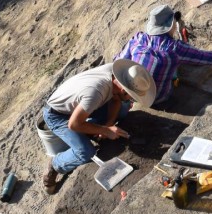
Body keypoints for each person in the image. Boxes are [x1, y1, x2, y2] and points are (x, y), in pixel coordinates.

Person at [42, 60, 156, 194]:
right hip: (58, 115)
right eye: (131, 96)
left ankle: (88, 130)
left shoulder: (117, 77)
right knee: (86, 152)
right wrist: (104, 130)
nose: (132, 100)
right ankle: (56, 164)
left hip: (79, 106)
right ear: (123, 89)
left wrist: (109, 124)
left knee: (123, 108)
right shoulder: (96, 92)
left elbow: (116, 100)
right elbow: (74, 124)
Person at [116, 5, 212, 107]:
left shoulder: (138, 39)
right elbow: (206, 58)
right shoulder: (175, 48)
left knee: (164, 62)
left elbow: (118, 59)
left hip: (133, 92)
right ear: (172, 24)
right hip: (158, 98)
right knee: (177, 61)